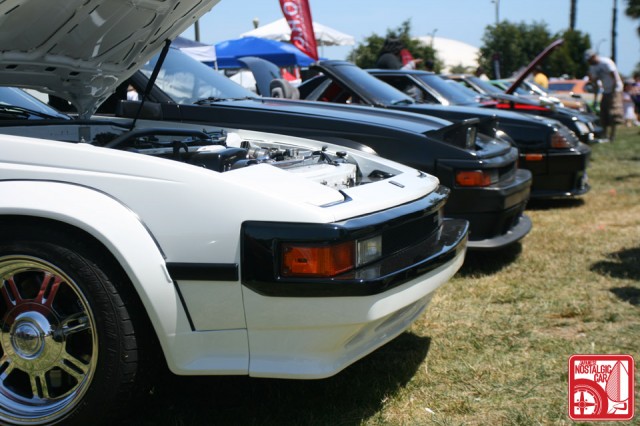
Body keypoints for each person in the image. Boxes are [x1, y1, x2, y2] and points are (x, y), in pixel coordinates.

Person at [584, 49, 624, 142]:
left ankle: (612, 136)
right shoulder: (593, 67)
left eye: (590, 60)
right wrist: (595, 99)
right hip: (606, 91)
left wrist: (613, 92)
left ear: (594, 56)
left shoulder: (606, 62)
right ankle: (604, 135)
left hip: (615, 90)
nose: (589, 62)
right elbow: (595, 84)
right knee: (603, 112)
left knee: (613, 112)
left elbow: (614, 78)